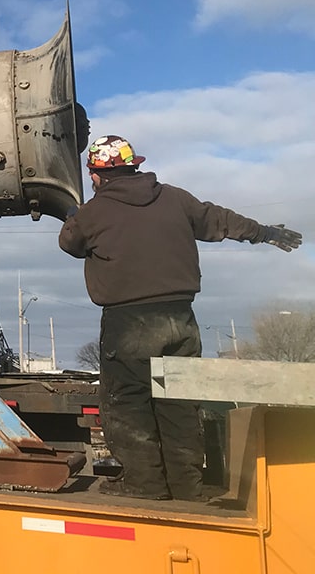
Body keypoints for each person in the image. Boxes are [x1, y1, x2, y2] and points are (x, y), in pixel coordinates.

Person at [58, 135, 302, 501]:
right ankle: (188, 486)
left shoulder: (95, 212)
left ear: (96, 174)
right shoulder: (174, 197)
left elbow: (69, 244)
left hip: (129, 323)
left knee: (129, 401)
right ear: (135, 165)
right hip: (180, 318)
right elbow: (219, 220)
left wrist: (74, 214)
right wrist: (265, 233)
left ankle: (145, 484)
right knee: (179, 402)